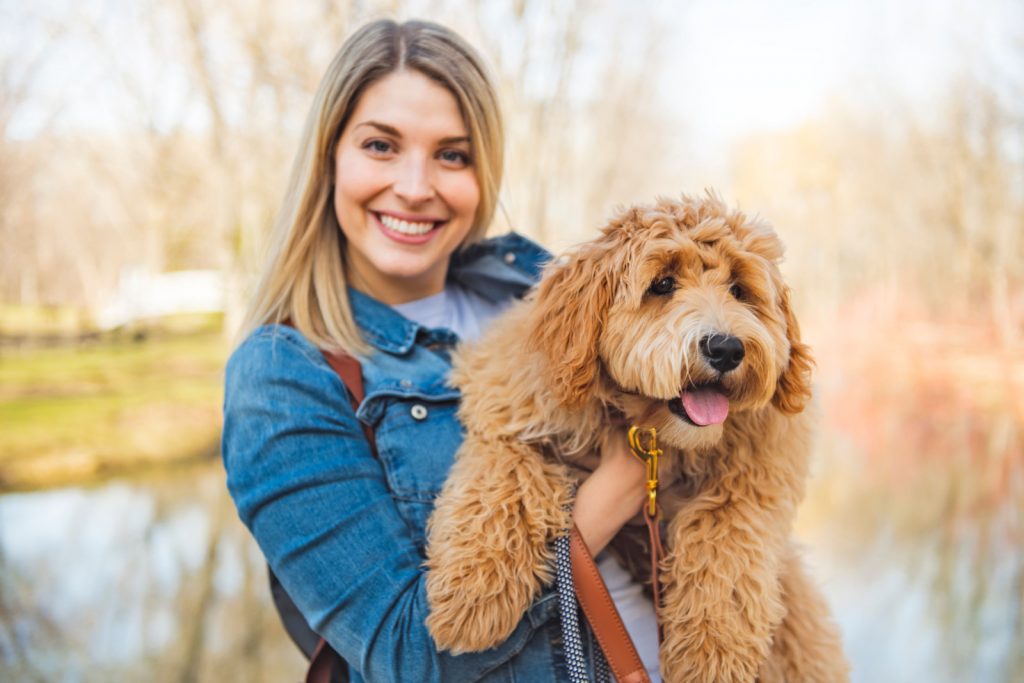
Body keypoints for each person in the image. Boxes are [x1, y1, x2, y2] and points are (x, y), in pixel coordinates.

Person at [222, 18, 657, 682]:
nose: (417, 185)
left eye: (452, 154)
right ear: (329, 157)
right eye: (381, 145)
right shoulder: (284, 374)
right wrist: (604, 502)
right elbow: (408, 653)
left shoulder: (534, 288)